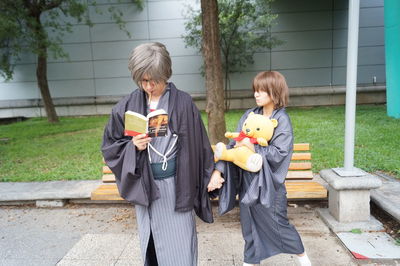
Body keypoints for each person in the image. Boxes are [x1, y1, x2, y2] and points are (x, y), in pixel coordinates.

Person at [102, 42, 214, 266]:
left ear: (166, 74)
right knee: (152, 243)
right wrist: (133, 146)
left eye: (155, 80)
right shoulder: (127, 106)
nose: (150, 86)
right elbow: (110, 146)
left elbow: (200, 143)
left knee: (181, 244)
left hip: (177, 185)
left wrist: (213, 172)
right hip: (146, 185)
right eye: (144, 81)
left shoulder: (183, 103)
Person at [208, 71, 312, 266]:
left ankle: (303, 258)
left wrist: (253, 148)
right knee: (249, 227)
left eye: (262, 90)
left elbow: (280, 154)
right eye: (255, 90)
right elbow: (233, 145)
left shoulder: (281, 120)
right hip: (248, 182)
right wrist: (218, 171)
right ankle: (250, 262)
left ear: (275, 92)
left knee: (279, 224)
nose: (256, 94)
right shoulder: (250, 114)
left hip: (269, 185)